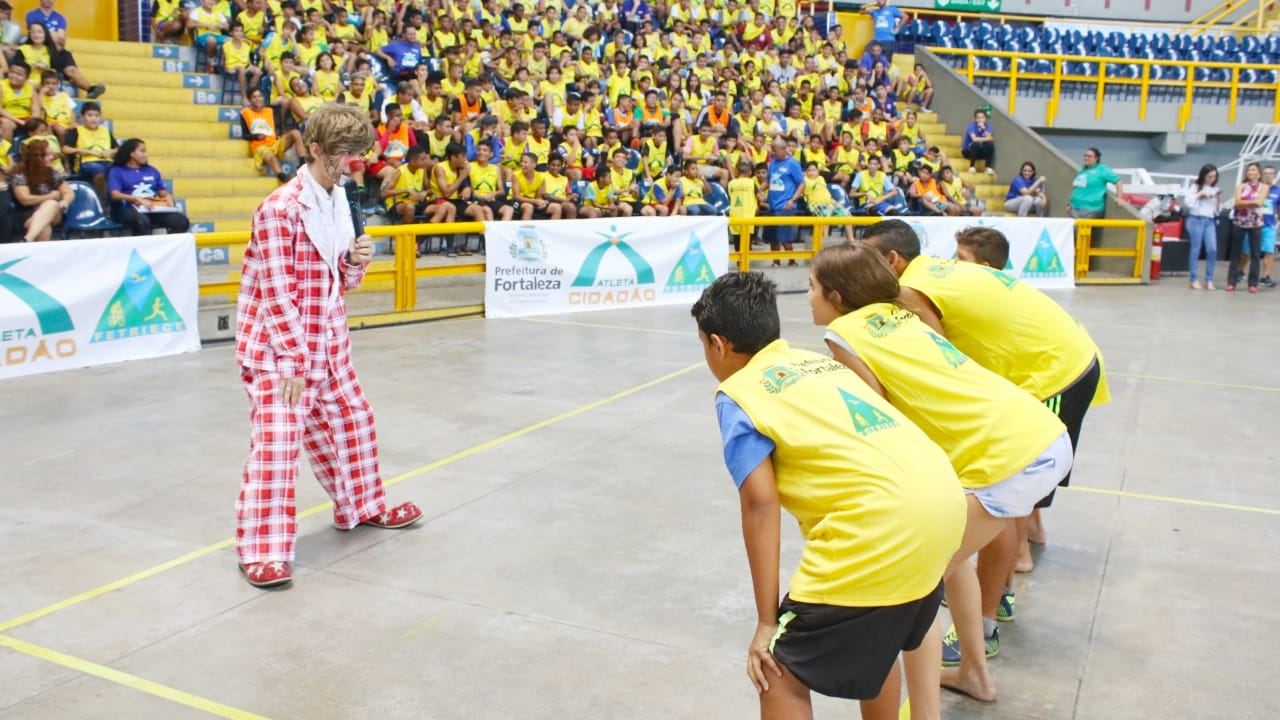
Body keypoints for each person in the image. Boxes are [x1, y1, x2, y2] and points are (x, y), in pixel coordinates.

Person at [691, 270, 965, 720]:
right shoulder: (820, 362)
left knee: (777, 667)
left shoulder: (738, 394)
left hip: (880, 527)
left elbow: (760, 504)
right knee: (881, 646)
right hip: (943, 505)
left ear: (718, 344)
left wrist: (766, 622)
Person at [811, 242, 1072, 704]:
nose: (807, 297)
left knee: (916, 585)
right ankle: (974, 674)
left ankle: (926, 710)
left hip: (1012, 454)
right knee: (953, 565)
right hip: (1036, 432)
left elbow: (877, 419)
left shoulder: (843, 335)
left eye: (812, 287)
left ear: (836, 295)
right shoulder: (902, 314)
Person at [861, 220, 1109, 639]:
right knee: (1007, 491)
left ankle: (993, 607)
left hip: (1054, 373)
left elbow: (938, 361)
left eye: (864, 257)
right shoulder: (932, 272)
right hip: (1057, 362)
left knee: (1008, 488)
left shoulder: (911, 291)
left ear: (891, 260)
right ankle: (999, 588)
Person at [234, 103, 422, 589]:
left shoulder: (340, 200)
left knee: (353, 421)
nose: (352, 163)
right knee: (278, 445)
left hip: (329, 338)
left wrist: (358, 261)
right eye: (343, 154)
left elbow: (341, 282)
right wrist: (293, 362)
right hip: (281, 349)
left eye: (358, 153)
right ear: (315, 149)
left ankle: (363, 505)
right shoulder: (279, 209)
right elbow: (276, 290)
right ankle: (261, 551)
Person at [106, 138, 190, 236]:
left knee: (181, 221)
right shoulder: (117, 171)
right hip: (128, 209)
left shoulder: (152, 170)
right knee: (141, 222)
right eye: (142, 151)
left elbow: (163, 193)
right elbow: (115, 194)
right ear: (131, 153)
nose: (145, 154)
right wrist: (136, 199)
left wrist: (168, 198)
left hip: (152, 208)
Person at [10, 138, 70, 242]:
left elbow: (68, 192)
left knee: (51, 204)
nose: (52, 157)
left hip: (53, 212)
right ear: (37, 157)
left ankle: (28, 239)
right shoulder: (20, 173)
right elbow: (25, 200)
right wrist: (51, 196)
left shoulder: (52, 172)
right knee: (43, 228)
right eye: (48, 155)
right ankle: (34, 249)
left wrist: (65, 201)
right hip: (27, 212)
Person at [240, 87, 304, 184]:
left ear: (262, 98)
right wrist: (256, 136)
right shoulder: (245, 113)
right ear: (250, 100)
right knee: (272, 158)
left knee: (295, 133)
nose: (257, 99)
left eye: (259, 96)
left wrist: (281, 135)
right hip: (259, 147)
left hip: (274, 143)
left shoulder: (270, 110)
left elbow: (276, 127)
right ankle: (282, 177)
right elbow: (244, 135)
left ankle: (303, 163)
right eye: (254, 97)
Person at [1227, 161, 1268, 294]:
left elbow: (1260, 202)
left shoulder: (1264, 187)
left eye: (1253, 170)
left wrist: (1248, 203)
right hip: (1240, 221)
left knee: (1255, 253)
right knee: (1235, 253)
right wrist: (1252, 202)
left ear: (1259, 172)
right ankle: (1232, 282)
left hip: (1256, 223)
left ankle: (1253, 283)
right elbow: (1238, 202)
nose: (1251, 172)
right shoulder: (1241, 186)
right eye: (1249, 170)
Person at [765, 137, 804, 266]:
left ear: (783, 149)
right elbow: (768, 180)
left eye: (774, 150)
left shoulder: (793, 163)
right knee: (773, 237)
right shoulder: (773, 162)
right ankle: (776, 262)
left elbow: (802, 184)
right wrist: (757, 190)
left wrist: (792, 200)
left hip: (785, 205)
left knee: (785, 237)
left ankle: (791, 261)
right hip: (772, 205)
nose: (772, 152)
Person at [1183, 164, 1220, 291]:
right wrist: (1200, 194)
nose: (1212, 179)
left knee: (1212, 249)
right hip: (1196, 219)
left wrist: (1218, 200)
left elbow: (1217, 210)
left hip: (1210, 220)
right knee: (1196, 249)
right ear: (1203, 176)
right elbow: (1188, 203)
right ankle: (1194, 278)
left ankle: (1209, 279)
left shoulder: (1216, 189)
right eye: (1209, 176)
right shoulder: (1195, 187)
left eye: (1214, 177)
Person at [1068, 147, 1123, 219]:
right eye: (1085, 155)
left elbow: (1118, 181)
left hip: (1090, 209)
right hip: (1074, 207)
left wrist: (1119, 197)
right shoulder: (1083, 170)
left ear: (1096, 158)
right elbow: (1077, 188)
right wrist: (1069, 205)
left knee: (1080, 230)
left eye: (1089, 156)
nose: (1086, 158)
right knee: (1072, 230)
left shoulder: (1102, 169)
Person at [1256, 165, 1280, 287]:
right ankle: (1241, 272)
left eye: (1270, 173)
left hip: (1269, 226)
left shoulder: (1278, 191)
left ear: (1275, 176)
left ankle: (1265, 277)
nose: (1268, 175)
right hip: (1254, 224)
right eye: (1265, 173)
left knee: (1269, 251)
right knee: (1247, 251)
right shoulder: (1256, 189)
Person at [960, 110, 994, 175]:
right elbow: (974, 139)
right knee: (976, 144)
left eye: (982, 117)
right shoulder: (971, 126)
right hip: (968, 152)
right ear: (975, 119)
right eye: (978, 118)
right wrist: (987, 138)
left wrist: (984, 129)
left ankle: (988, 167)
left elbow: (990, 139)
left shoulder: (987, 126)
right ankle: (972, 166)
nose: (980, 120)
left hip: (980, 152)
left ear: (985, 119)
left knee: (990, 145)